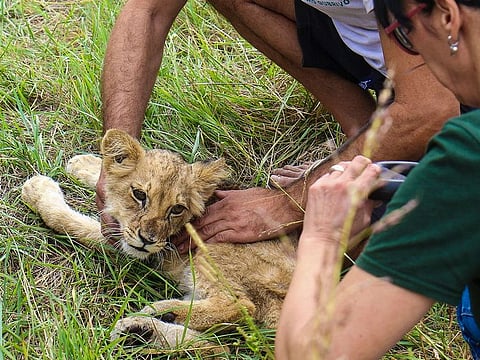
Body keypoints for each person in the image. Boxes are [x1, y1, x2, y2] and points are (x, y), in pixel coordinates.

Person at [97, 0, 459, 246]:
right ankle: (362, 129)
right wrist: (118, 165)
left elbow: (433, 109)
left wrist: (288, 203)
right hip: (390, 41)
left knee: (412, 216)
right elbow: (147, 11)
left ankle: (381, 158)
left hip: (456, 80)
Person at [275, 0, 480, 358]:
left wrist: (322, 238)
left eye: (403, 35)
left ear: (448, 16)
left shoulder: (467, 156)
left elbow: (310, 355)